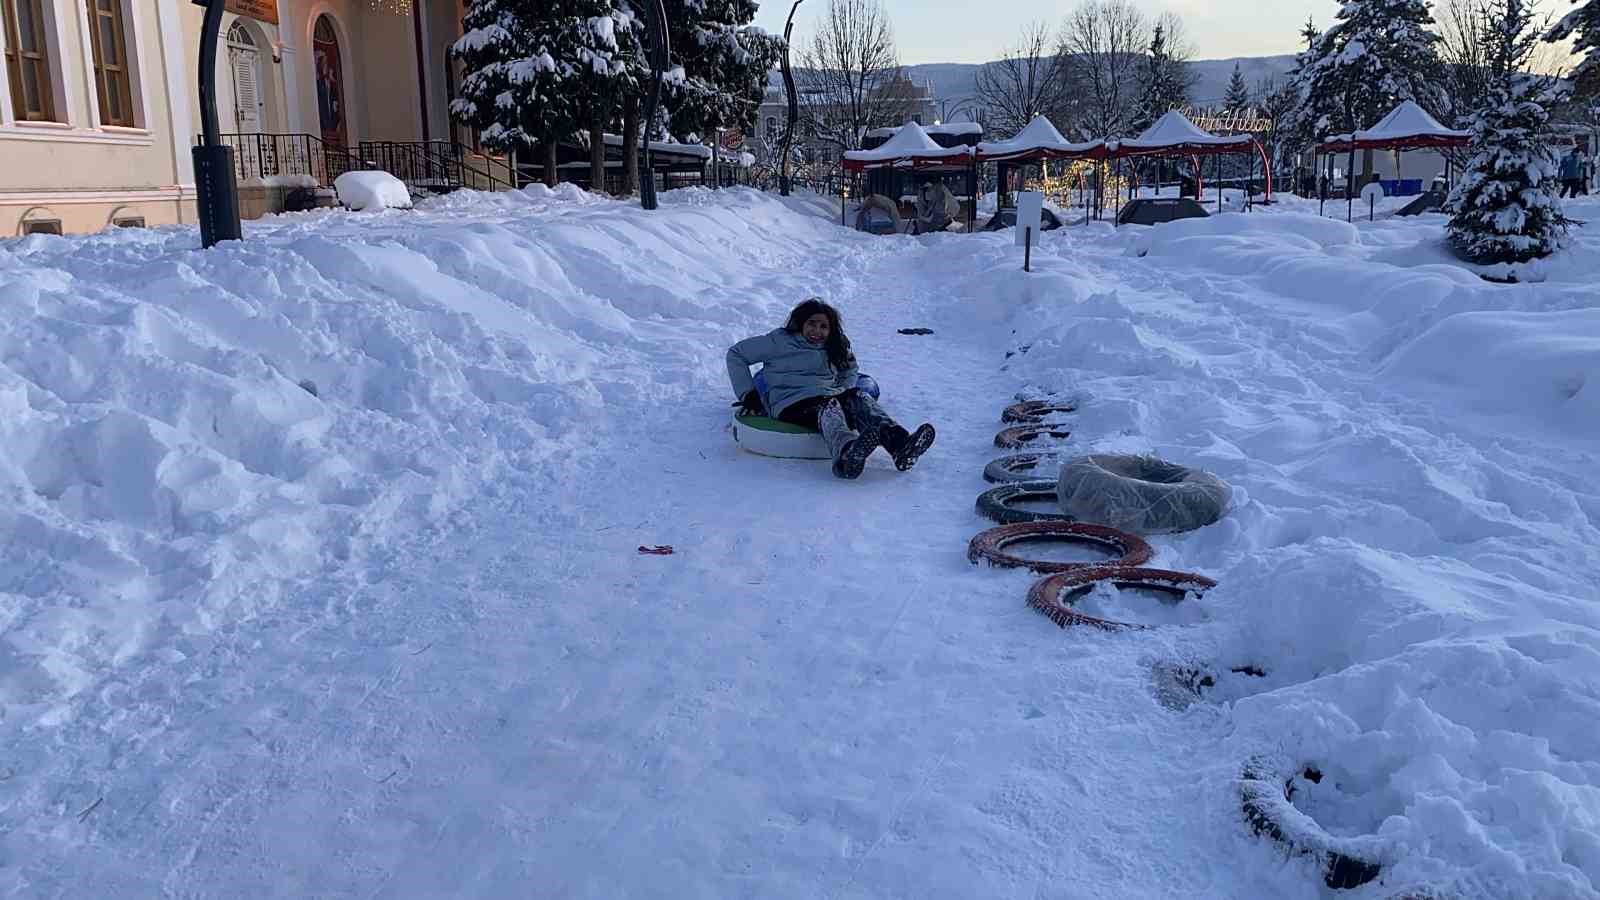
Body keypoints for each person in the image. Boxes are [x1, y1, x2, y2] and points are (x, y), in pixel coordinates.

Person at [727, 299, 936, 479]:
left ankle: (901, 446)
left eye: (824, 326)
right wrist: (749, 394)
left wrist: (845, 389)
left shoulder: (834, 344)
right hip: (791, 402)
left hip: (828, 394)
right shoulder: (778, 342)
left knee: (859, 397)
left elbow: (851, 369)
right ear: (800, 322)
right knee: (830, 408)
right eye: (812, 324)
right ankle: (846, 455)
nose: (817, 331)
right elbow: (736, 354)